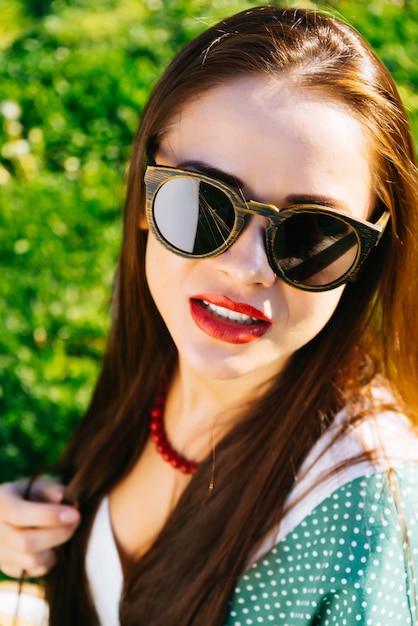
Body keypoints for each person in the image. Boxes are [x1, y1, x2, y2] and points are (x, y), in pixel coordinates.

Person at [0, 5, 418, 625]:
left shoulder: (367, 522)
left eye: (310, 236)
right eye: (200, 205)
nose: (245, 268)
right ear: (145, 191)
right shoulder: (159, 317)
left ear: (371, 249)